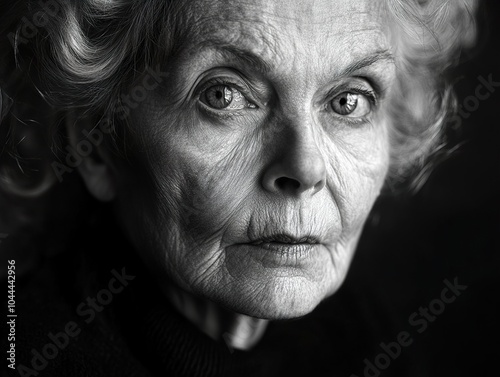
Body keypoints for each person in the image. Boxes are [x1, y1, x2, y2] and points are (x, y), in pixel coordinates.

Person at [0, 0, 479, 376]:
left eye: (349, 101)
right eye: (223, 94)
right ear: (98, 146)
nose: (305, 168)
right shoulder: (22, 345)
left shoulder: (367, 337)